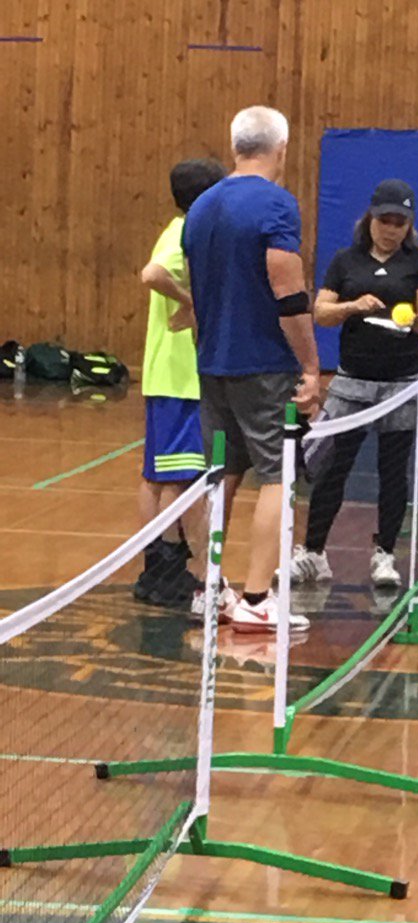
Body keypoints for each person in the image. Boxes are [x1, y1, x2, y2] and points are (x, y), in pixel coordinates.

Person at [183, 106, 321, 634]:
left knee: (221, 475)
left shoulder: (200, 208)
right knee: (277, 476)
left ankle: (211, 588)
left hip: (212, 361)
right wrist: (310, 362)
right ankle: (260, 599)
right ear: (281, 149)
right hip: (263, 364)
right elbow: (286, 287)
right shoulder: (276, 204)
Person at [289, 179, 418, 588]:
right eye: (384, 220)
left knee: (394, 473)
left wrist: (413, 318)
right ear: (370, 218)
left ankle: (385, 554)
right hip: (353, 381)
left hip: (401, 383)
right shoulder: (345, 261)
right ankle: (314, 552)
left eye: (400, 223)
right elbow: (320, 312)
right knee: (332, 468)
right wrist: (353, 306)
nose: (391, 229)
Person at [134, 157, 226, 607]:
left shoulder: (180, 229)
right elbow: (152, 274)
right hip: (179, 376)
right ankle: (171, 567)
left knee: (157, 475)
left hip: (167, 374)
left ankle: (156, 567)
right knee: (180, 476)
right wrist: (192, 300)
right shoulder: (185, 233)